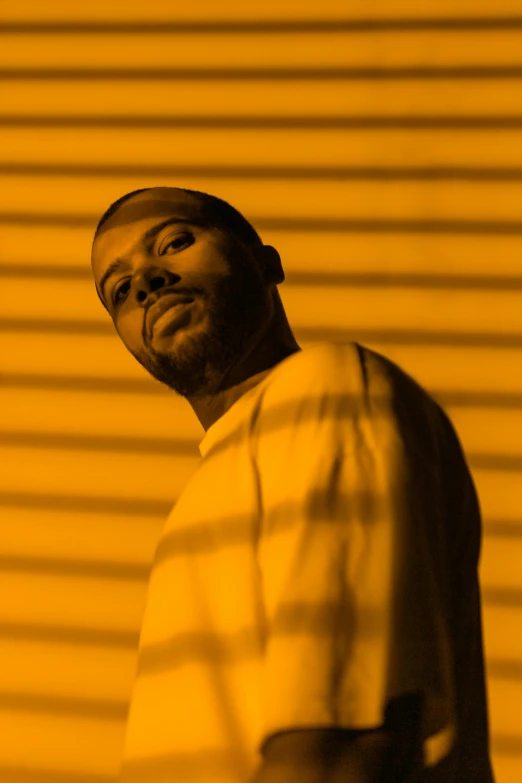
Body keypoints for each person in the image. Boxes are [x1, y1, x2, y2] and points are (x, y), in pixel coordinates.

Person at [91, 186, 495, 783]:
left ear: (266, 262)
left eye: (174, 242)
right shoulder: (226, 473)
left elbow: (339, 751)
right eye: (120, 290)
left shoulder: (322, 392)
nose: (146, 283)